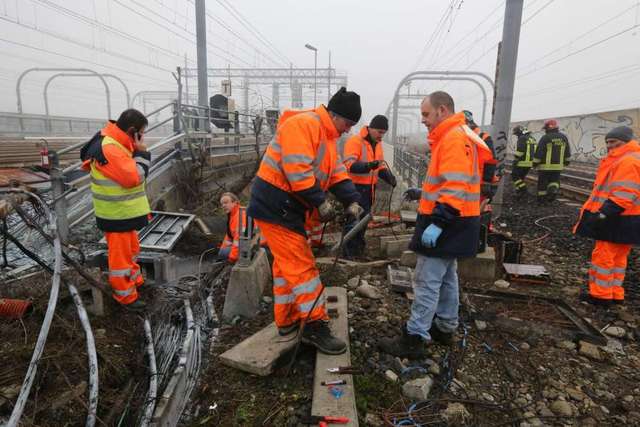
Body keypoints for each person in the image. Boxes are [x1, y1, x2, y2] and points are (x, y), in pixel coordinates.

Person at [247, 87, 364, 355]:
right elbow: (297, 170)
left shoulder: (327, 136)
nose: (348, 130)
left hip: (287, 207)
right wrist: (319, 202)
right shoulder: (303, 125)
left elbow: (335, 172)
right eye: (348, 123)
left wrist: (351, 199)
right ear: (335, 116)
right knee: (302, 268)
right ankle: (313, 325)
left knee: (286, 268)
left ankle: (287, 321)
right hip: (277, 206)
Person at [379, 92, 492, 358]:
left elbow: (454, 186)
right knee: (447, 277)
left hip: (448, 220)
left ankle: (415, 337)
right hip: (461, 220)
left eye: (426, 114)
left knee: (427, 279)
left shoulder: (453, 138)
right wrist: (424, 191)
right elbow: (451, 180)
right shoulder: (459, 135)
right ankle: (445, 326)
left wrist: (438, 223)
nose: (423, 120)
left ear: (442, 110)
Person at [80, 109, 151, 311]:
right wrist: (142, 153)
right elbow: (134, 178)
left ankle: (135, 282)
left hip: (124, 212)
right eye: (141, 133)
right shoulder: (110, 148)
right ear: (132, 131)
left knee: (131, 251)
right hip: (116, 214)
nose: (142, 137)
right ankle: (126, 297)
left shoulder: (116, 142)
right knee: (120, 259)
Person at [574, 126, 640, 307]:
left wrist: (603, 214)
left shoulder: (626, 161)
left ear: (626, 141)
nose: (610, 146)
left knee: (603, 257)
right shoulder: (631, 158)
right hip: (630, 219)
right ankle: (615, 293)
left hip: (616, 218)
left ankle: (600, 296)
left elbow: (624, 194)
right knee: (618, 259)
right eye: (608, 142)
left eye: (614, 142)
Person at [341, 114, 397, 257]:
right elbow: (349, 165)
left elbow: (379, 165)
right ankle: (348, 253)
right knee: (353, 221)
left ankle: (358, 249)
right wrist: (368, 166)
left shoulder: (377, 145)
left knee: (364, 222)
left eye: (384, 133)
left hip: (369, 189)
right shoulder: (355, 141)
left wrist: (388, 177)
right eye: (379, 132)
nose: (381, 136)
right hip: (354, 189)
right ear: (371, 128)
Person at [533, 119, 571, 204]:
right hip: (558, 167)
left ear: (548, 128)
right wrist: (566, 162)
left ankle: (542, 201)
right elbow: (567, 151)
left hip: (545, 167)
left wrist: (535, 163)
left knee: (542, 183)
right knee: (554, 181)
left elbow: (539, 152)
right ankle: (553, 191)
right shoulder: (563, 137)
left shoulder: (545, 138)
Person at [218, 192, 245, 263]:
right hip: (245, 245)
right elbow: (229, 236)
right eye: (222, 204)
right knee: (222, 252)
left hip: (254, 246)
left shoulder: (241, 214)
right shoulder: (232, 215)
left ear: (235, 202)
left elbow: (240, 239)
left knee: (223, 253)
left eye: (226, 202)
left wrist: (232, 257)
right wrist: (222, 248)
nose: (223, 205)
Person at [511, 125, 537, 196]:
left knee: (514, 176)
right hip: (529, 162)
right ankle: (519, 191)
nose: (517, 136)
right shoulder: (532, 138)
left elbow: (520, 151)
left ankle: (523, 190)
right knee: (521, 177)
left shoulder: (522, 138)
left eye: (517, 134)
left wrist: (516, 158)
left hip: (522, 162)